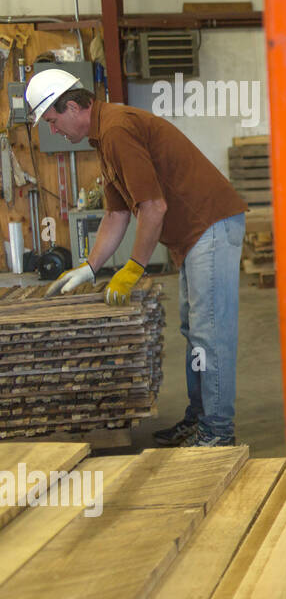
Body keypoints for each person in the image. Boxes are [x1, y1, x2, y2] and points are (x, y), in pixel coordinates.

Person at [26, 69, 249, 448]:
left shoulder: (116, 130)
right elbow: (116, 214)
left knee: (212, 336)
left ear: (75, 106)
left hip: (208, 224)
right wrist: (89, 267)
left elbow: (153, 206)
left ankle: (217, 433)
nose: (53, 131)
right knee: (195, 333)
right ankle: (199, 420)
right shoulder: (103, 139)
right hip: (192, 234)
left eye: (52, 120)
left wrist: (133, 268)